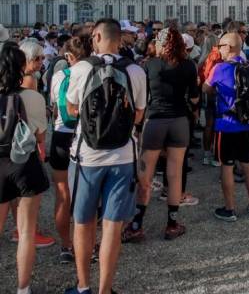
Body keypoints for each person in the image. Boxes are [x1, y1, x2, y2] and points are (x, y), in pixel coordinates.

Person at [65, 18, 147, 294]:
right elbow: (138, 115)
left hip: (87, 156)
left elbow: (72, 109)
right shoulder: (135, 70)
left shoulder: (81, 68)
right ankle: (105, 289)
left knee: (84, 221)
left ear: (97, 36)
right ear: (119, 38)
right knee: (112, 226)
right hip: (123, 155)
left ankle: (83, 285)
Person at [122, 27, 200, 244]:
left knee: (145, 176)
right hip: (179, 121)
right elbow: (194, 98)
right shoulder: (188, 66)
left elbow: (142, 97)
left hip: (155, 120)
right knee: (175, 174)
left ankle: (137, 224)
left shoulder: (150, 65)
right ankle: (172, 223)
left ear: (160, 43)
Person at [0, 42, 51, 294]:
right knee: (27, 231)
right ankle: (23, 288)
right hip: (24, 162)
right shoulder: (33, 97)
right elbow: (41, 137)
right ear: (23, 67)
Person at [204, 32, 249, 221]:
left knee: (227, 166)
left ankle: (229, 209)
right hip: (247, 124)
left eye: (220, 45)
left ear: (228, 47)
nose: (218, 49)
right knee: (248, 164)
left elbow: (205, 88)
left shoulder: (220, 68)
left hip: (226, 125)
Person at [49, 35, 92, 263]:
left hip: (61, 135)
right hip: (84, 136)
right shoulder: (92, 73)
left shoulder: (59, 75)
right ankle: (86, 245)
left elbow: (55, 108)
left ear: (69, 56)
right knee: (86, 196)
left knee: (62, 195)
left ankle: (66, 247)